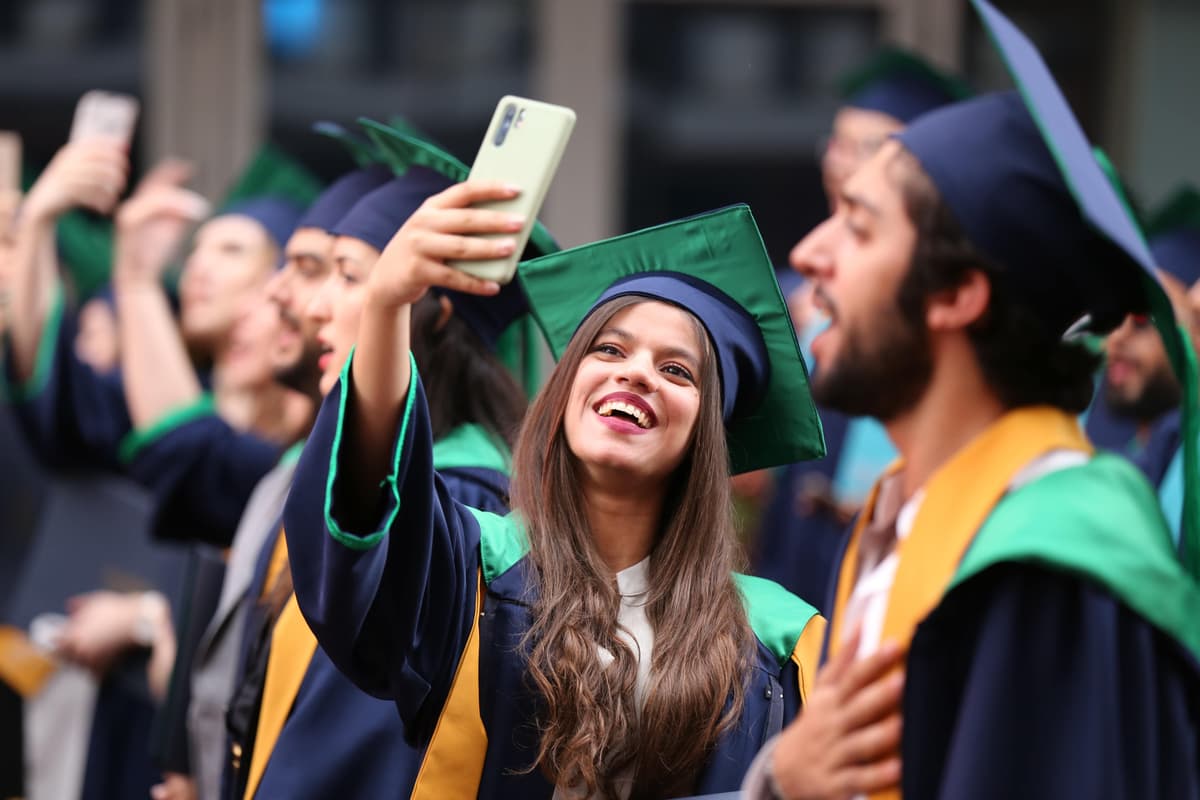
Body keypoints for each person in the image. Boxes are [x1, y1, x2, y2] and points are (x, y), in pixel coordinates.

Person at [745, 2, 1200, 798]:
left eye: (859, 227)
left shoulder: (1049, 568)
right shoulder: (897, 519)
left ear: (957, 294)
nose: (808, 253)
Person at [283, 195, 827, 798]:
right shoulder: (474, 569)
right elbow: (367, 511)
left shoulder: (778, 642)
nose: (636, 372)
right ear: (566, 388)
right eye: (609, 349)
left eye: (677, 370)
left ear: (708, 436)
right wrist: (387, 306)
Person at [224, 132, 544, 799]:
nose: (314, 309)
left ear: (433, 310)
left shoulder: (465, 515)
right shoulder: (340, 481)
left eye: (349, 276)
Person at [754, 49, 967, 611]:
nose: (842, 164)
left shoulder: (942, 323)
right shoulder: (790, 292)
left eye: (868, 148)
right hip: (791, 542)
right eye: (837, 144)